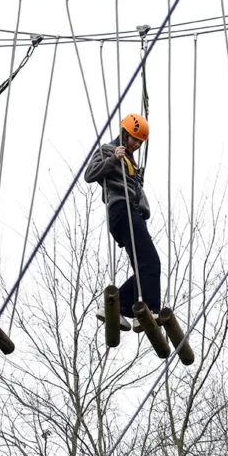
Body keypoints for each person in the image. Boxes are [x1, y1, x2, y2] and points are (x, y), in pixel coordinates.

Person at [86, 113, 160, 332]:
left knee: (144, 267)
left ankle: (115, 308)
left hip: (131, 214)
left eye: (140, 142)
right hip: (122, 210)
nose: (136, 145)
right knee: (151, 262)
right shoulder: (109, 150)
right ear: (125, 133)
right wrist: (113, 159)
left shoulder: (131, 159)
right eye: (134, 139)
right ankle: (147, 311)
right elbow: (89, 174)